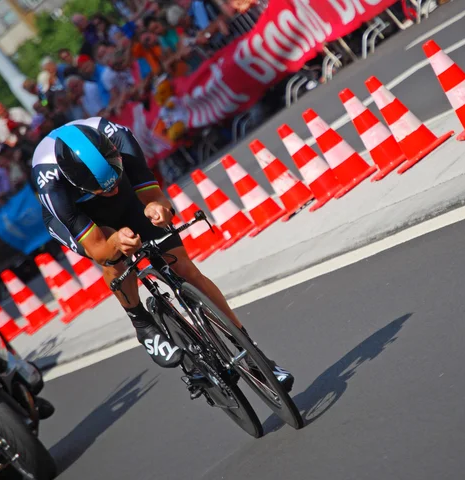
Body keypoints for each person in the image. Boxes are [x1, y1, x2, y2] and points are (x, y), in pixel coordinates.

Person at [30, 118, 294, 395]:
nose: (113, 190)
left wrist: (157, 208)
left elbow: (152, 195)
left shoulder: (119, 137)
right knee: (114, 257)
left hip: (123, 191)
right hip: (82, 215)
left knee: (186, 270)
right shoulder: (51, 184)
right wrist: (117, 241)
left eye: (114, 179)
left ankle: (253, 355)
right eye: (104, 189)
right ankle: (141, 321)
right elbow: (99, 248)